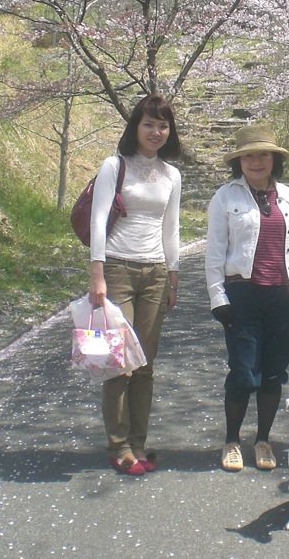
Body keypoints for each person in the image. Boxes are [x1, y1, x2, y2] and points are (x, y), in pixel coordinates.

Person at [206, 125, 289, 473]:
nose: (257, 161)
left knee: (273, 374)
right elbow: (214, 252)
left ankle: (263, 439)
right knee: (243, 373)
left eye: (263, 154)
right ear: (239, 161)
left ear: (274, 159)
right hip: (242, 296)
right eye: (249, 155)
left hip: (283, 296)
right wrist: (217, 297)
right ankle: (232, 441)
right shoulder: (225, 197)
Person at [88, 94, 181, 476]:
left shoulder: (172, 174)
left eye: (162, 125)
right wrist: (97, 274)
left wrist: (173, 275)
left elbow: (170, 228)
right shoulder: (115, 166)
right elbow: (97, 219)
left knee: (144, 365)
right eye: (148, 124)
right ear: (135, 127)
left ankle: (139, 444)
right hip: (119, 270)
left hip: (156, 272)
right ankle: (119, 444)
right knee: (120, 363)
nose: (156, 132)